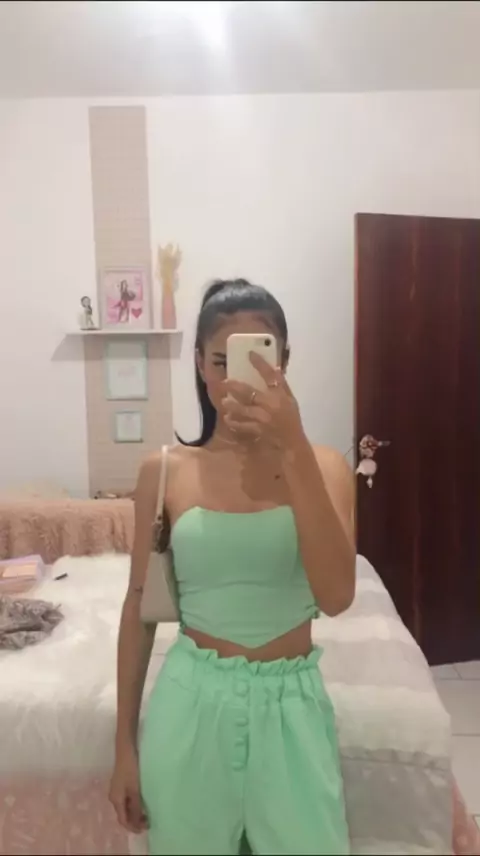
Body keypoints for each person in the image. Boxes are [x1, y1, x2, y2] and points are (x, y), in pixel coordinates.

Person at [109, 278, 355, 855]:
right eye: (221, 361)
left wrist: (292, 446)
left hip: (293, 711)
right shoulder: (164, 472)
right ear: (199, 364)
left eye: (257, 359)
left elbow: (337, 596)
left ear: (283, 362)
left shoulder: (324, 467)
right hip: (190, 708)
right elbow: (139, 608)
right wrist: (123, 747)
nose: (236, 379)